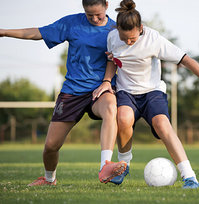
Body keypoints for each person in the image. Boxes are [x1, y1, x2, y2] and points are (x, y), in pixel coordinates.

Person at [93, 0, 199, 189]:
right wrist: (106, 82)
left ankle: (189, 177)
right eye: (125, 39)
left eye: (132, 39)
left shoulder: (154, 39)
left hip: (152, 92)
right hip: (126, 92)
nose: (129, 43)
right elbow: (113, 60)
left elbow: (186, 60)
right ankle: (123, 166)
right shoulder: (112, 37)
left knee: (162, 125)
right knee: (123, 119)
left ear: (141, 28)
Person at [0, 0, 127, 186]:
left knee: (110, 106)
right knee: (51, 146)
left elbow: (132, 47)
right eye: (89, 14)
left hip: (100, 89)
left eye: (98, 15)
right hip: (72, 92)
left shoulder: (116, 30)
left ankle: (105, 165)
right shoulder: (72, 23)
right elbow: (39, 32)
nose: (93, 18)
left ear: (107, 5)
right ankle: (49, 179)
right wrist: (4, 32)